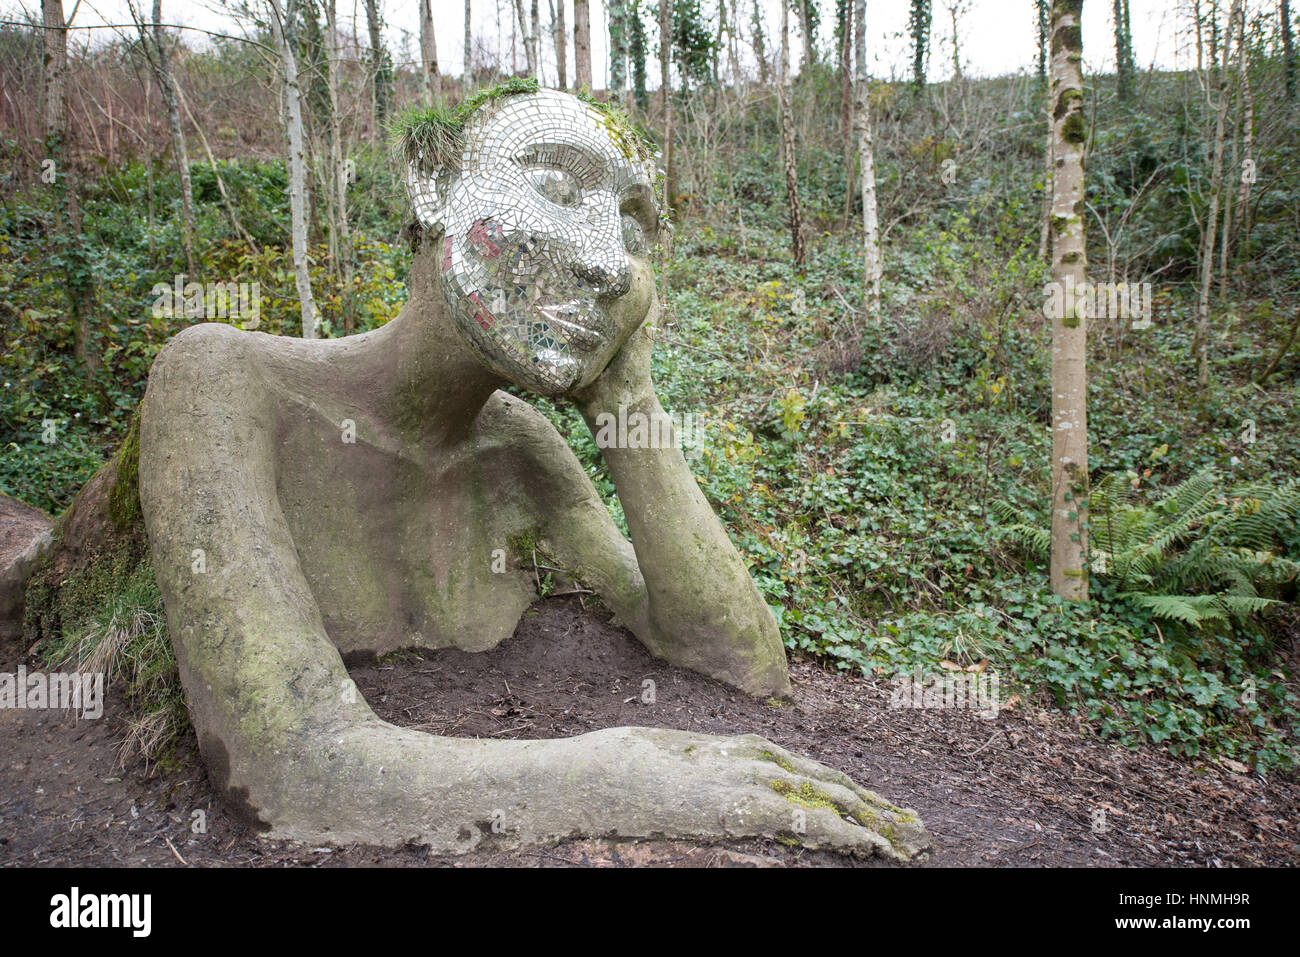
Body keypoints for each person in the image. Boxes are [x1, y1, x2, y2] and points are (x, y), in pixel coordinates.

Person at [138, 86, 924, 857]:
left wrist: (628, 396)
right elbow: (290, 762)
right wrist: (618, 777)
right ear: (435, 186)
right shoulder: (225, 379)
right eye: (553, 185)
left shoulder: (517, 447)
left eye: (632, 230)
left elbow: (737, 659)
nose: (610, 265)